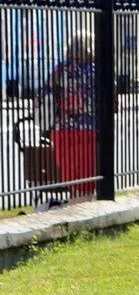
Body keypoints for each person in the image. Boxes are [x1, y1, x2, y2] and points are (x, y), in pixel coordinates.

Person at [43, 30, 97, 197]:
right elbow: (112, 101)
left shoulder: (59, 70)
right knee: (88, 179)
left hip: (62, 130)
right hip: (89, 131)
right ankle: (82, 213)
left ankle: (75, 207)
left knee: (71, 179)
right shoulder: (96, 71)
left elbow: (44, 95)